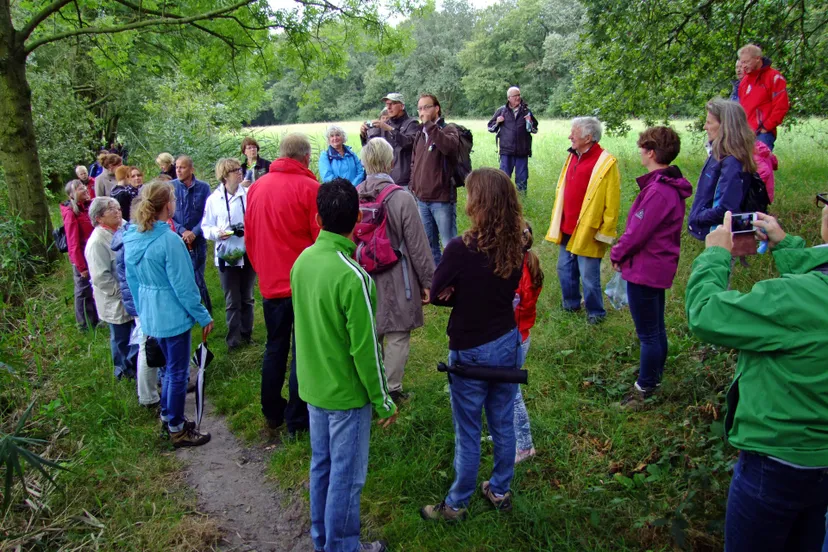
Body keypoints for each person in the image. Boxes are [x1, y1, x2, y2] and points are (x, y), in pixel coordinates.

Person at [685, 208, 828, 552]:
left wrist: (715, 254)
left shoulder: (793, 297)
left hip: (779, 462)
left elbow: (706, 313)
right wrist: (789, 246)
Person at [291, 179, 397, 552]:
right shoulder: (354, 277)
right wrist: (383, 400)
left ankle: (323, 541)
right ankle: (342, 546)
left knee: (321, 466)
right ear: (357, 220)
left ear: (317, 217)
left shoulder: (302, 261)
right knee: (347, 478)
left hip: (313, 387)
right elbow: (366, 350)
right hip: (347, 397)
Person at [421, 167, 525, 522]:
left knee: (468, 431)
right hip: (508, 340)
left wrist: (455, 294)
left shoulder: (461, 248)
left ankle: (456, 504)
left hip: (472, 347)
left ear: (478, 202)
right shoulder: (518, 240)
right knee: (502, 421)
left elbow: (436, 293)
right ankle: (499, 489)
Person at [124, 180, 214, 447]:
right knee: (177, 372)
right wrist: (203, 315)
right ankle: (177, 427)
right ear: (167, 206)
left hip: (150, 313)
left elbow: (132, 281)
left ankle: (166, 415)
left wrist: (142, 311)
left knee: (167, 369)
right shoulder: (169, 240)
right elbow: (185, 287)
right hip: (171, 315)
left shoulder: (132, 237)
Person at [609, 127, 693, 409]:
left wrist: (618, 252)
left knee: (648, 333)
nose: (640, 152)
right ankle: (654, 377)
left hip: (646, 268)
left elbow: (637, 231)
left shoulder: (658, 190)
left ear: (652, 152)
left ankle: (644, 388)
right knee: (656, 329)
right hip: (658, 265)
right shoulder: (668, 186)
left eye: (642, 148)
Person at [245, 133, 319, 436]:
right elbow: (320, 240)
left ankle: (272, 411)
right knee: (302, 351)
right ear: (305, 157)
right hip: (303, 285)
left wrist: (263, 269)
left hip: (271, 282)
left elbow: (250, 237)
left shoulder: (257, 187)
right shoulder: (311, 188)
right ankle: (297, 419)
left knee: (274, 347)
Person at [358, 138, 435, 404]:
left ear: (365, 162)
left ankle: (370, 386)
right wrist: (428, 281)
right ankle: (392, 389)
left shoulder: (354, 195)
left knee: (369, 331)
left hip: (362, 274)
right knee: (398, 332)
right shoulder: (401, 197)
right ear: (391, 163)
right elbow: (417, 244)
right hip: (397, 273)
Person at [545, 117, 621, 324]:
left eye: (574, 133)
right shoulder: (572, 155)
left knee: (589, 276)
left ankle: (596, 314)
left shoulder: (606, 162)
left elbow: (612, 200)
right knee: (564, 269)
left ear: (588, 137)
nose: (570, 136)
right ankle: (570, 305)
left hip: (588, 229)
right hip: (567, 226)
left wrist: (605, 230)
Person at [202, 158, 255, 350]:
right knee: (232, 299)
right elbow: (205, 226)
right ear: (224, 175)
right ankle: (233, 340)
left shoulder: (248, 194)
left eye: (239, 169)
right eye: (234, 170)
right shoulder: (214, 200)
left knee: (247, 296)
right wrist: (217, 233)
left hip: (248, 251)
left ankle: (247, 334)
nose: (239, 172)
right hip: (227, 253)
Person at [688, 99, 756, 241]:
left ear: (725, 126)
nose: (705, 127)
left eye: (709, 122)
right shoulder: (719, 155)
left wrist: (697, 218)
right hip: (715, 233)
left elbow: (726, 209)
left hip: (720, 236)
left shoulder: (731, 162)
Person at [85, 197, 137, 380]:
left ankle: (137, 368)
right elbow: (100, 277)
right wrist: (122, 292)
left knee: (137, 334)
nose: (117, 211)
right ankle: (123, 372)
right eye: (111, 210)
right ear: (99, 218)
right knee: (121, 337)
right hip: (115, 298)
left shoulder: (125, 227)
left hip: (133, 293)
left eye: (117, 207)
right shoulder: (97, 242)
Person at [111, 221, 160, 408]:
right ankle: (148, 396)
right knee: (147, 345)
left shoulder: (127, 237)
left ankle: (151, 390)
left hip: (139, 300)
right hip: (142, 301)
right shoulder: (131, 242)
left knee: (147, 344)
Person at [409, 94, 460, 266]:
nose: (422, 112)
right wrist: (413, 186)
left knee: (449, 244)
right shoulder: (420, 134)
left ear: (436, 108)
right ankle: (438, 280)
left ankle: (456, 281)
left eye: (426, 107)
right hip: (422, 200)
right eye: (420, 108)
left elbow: (448, 147)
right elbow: (414, 162)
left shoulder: (448, 129)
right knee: (429, 245)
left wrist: (430, 126)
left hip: (442, 199)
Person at [513, 220, 543, 464]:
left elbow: (511, 307)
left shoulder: (518, 275)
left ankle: (525, 446)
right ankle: (508, 432)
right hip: (522, 335)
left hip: (514, 338)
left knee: (512, 394)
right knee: (503, 392)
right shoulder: (528, 263)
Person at [171, 155, 212, 314]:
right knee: (182, 276)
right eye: (176, 167)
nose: (179, 170)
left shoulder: (203, 187)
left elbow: (208, 213)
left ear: (191, 169)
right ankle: (185, 309)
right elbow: (168, 215)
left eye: (182, 167)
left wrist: (194, 232)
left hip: (198, 238)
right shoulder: (170, 187)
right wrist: (182, 230)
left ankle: (204, 311)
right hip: (178, 238)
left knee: (198, 276)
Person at [360, 92, 420, 190]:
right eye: (387, 104)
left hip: (404, 180)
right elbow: (372, 147)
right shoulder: (384, 124)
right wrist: (364, 134)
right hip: (384, 179)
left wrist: (390, 129)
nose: (388, 107)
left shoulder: (412, 123)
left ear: (402, 106)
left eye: (392, 104)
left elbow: (410, 143)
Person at [61, 180, 99, 330]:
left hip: (92, 253)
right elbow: (73, 242)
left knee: (93, 288)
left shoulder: (87, 206)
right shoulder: (71, 212)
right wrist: (80, 266)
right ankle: (84, 325)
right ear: (72, 195)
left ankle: (95, 319)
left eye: (83, 186)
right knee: (83, 290)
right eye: (79, 188)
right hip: (81, 257)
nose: (84, 189)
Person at [737, 44, 789, 151]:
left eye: (746, 62)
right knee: (743, 166)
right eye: (742, 62)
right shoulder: (744, 82)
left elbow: (781, 106)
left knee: (761, 166)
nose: (743, 66)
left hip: (763, 133)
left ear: (757, 59)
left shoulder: (774, 77)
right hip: (746, 133)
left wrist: (766, 127)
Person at [487, 86, 538, 193]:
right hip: (506, 152)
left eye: (519, 95)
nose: (518, 98)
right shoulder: (501, 111)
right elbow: (490, 128)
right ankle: (503, 201)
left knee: (522, 180)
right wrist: (497, 122)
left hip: (522, 152)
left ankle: (522, 202)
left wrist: (530, 121)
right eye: (515, 96)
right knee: (504, 179)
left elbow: (534, 130)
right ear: (509, 97)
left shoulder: (526, 111)